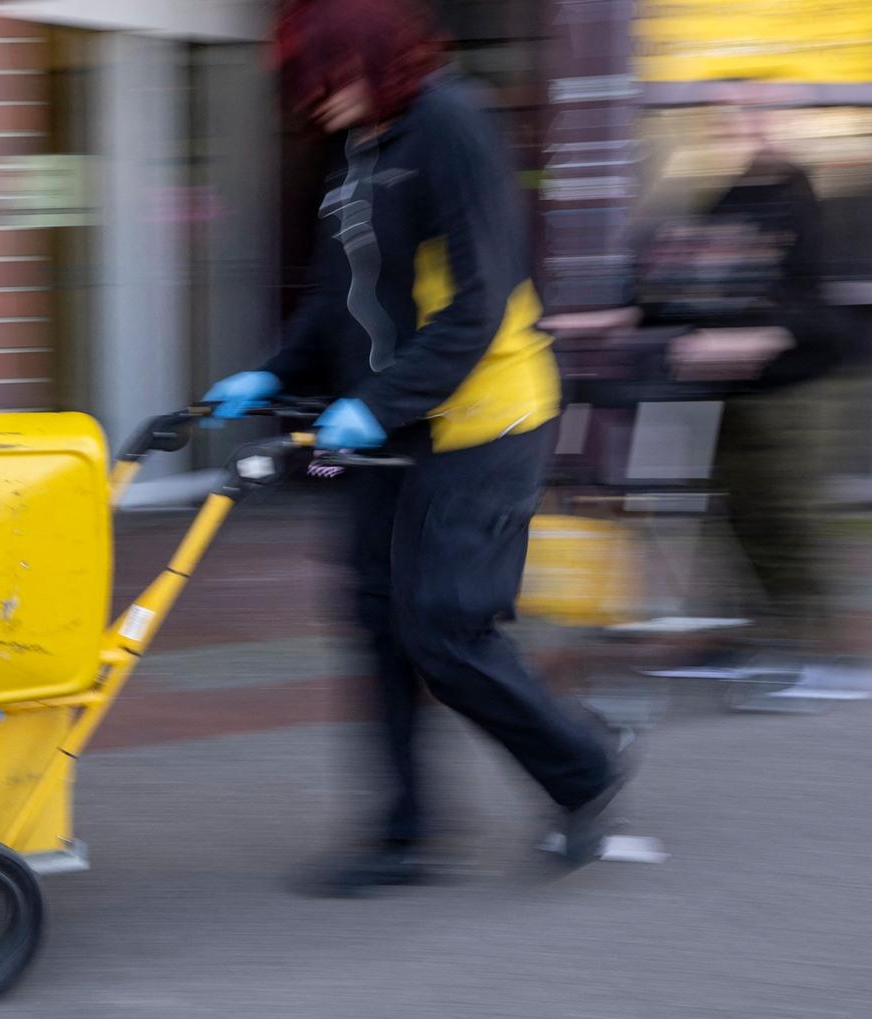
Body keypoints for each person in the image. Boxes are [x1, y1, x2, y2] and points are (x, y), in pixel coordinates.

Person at [204, 0, 624, 893]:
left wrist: (375, 404)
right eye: (304, 90)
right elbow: (334, 297)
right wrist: (271, 374)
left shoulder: (452, 125)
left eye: (329, 81)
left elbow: (478, 305)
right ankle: (403, 835)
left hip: (484, 419)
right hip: (388, 427)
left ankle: (583, 765)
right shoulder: (356, 146)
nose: (318, 103)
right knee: (376, 618)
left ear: (374, 58)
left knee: (444, 626)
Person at [548, 83, 872, 707]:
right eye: (732, 113)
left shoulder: (810, 193)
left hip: (799, 382)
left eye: (758, 111)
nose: (743, 124)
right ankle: (755, 640)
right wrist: (616, 318)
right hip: (733, 383)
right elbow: (686, 282)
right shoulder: (729, 195)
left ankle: (826, 657)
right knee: (737, 518)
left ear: (787, 121)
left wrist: (763, 336)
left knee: (789, 522)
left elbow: (814, 293)